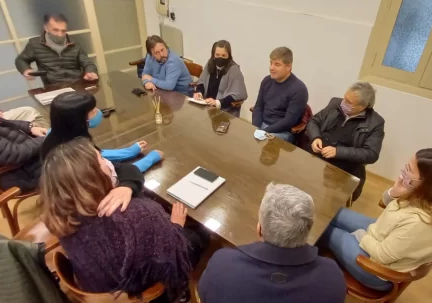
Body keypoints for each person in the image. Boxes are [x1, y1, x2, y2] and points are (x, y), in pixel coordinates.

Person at [39, 138, 209, 302]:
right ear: (91, 177)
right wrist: (176, 225)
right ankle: (180, 292)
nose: (109, 163)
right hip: (139, 293)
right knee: (199, 234)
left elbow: (125, 170)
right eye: (102, 160)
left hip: (101, 286)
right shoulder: (141, 214)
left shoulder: (59, 214)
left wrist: (126, 186)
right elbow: (174, 253)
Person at [321, 149, 432, 291]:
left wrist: (360, 235)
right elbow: (385, 201)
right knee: (332, 212)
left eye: (408, 172)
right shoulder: (428, 196)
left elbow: (382, 256)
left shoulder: (421, 224)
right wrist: (395, 190)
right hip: (382, 234)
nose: (403, 174)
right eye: (406, 168)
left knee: (324, 228)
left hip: (376, 270)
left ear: (428, 186)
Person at [198, 183, 346, 303]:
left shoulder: (222, 265)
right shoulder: (333, 278)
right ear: (306, 231)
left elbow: (203, 294)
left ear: (259, 229)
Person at [40, 91, 162, 172]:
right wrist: (150, 159)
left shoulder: (55, 133)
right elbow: (114, 174)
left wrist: (129, 152)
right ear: (78, 120)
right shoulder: (77, 157)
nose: (98, 112)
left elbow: (97, 154)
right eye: (92, 111)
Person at [306, 82, 385, 202]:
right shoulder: (335, 104)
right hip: (317, 156)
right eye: (345, 98)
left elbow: (371, 154)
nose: (343, 103)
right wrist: (315, 137)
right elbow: (314, 121)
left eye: (349, 102)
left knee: (326, 202)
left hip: (344, 167)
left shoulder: (375, 123)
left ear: (363, 106)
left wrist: (338, 152)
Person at [15, 13, 98, 85]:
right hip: (53, 87)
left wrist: (90, 72)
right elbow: (21, 60)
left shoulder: (74, 43)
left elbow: (87, 62)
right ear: (46, 28)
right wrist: (25, 70)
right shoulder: (34, 44)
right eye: (55, 30)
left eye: (63, 31)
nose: (60, 34)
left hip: (78, 84)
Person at [251, 47, 308, 143]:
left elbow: (289, 121)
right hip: (262, 126)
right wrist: (255, 127)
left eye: (277, 64)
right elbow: (258, 107)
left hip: (282, 132)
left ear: (288, 66)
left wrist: (264, 131)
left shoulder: (299, 89)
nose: (271, 68)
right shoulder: (267, 81)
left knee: (262, 144)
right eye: (271, 63)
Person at [193, 40, 248, 117]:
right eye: (217, 55)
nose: (220, 58)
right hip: (206, 106)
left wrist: (218, 102)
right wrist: (199, 93)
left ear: (229, 55)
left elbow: (239, 94)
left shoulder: (233, 69)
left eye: (223, 55)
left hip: (224, 112)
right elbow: (201, 81)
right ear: (213, 55)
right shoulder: (210, 64)